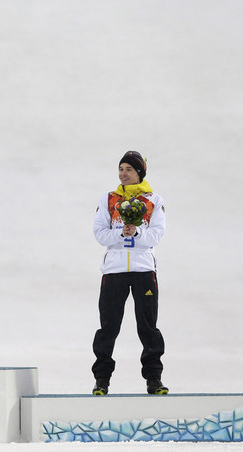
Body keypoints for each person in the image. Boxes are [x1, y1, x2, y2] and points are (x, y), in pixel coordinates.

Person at [90, 151, 168, 396]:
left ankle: (154, 379)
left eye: (129, 169)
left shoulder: (153, 200)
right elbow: (100, 234)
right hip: (114, 271)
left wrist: (137, 232)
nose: (123, 174)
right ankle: (102, 380)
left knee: (148, 326)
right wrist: (120, 233)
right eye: (121, 169)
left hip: (144, 270)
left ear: (140, 172)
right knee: (108, 327)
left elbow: (157, 235)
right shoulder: (109, 199)